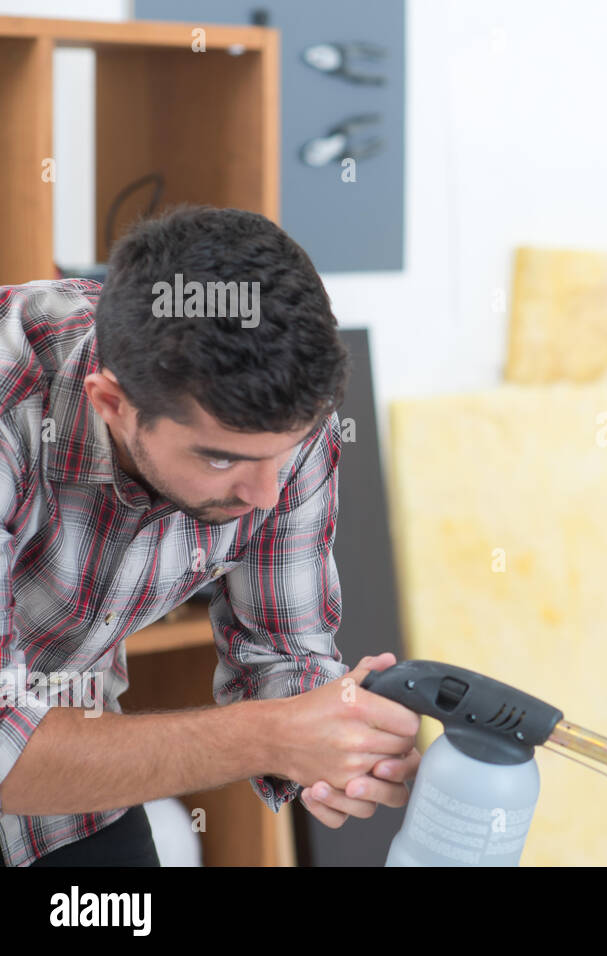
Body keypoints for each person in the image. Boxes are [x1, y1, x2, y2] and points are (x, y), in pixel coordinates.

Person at [0, 206, 420, 867]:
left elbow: (282, 652)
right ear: (111, 402)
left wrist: (336, 745)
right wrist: (269, 737)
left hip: (65, 794)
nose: (268, 495)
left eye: (284, 453)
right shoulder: (8, 403)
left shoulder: (275, 421)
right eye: (220, 459)